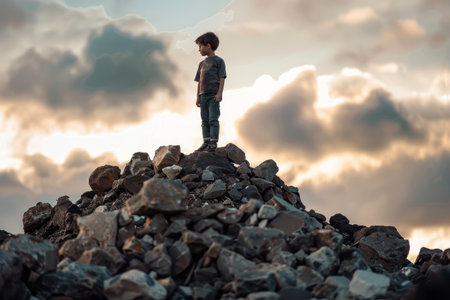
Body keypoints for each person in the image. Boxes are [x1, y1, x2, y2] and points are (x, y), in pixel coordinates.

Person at [194, 32, 227, 152]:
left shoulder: (219, 61)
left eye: (200, 47)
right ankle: (206, 141)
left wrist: (219, 93)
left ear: (208, 46)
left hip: (213, 95)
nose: (199, 50)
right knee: (204, 120)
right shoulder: (201, 64)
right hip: (203, 96)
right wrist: (197, 97)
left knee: (213, 119)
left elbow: (222, 77)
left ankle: (213, 142)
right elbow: (199, 81)